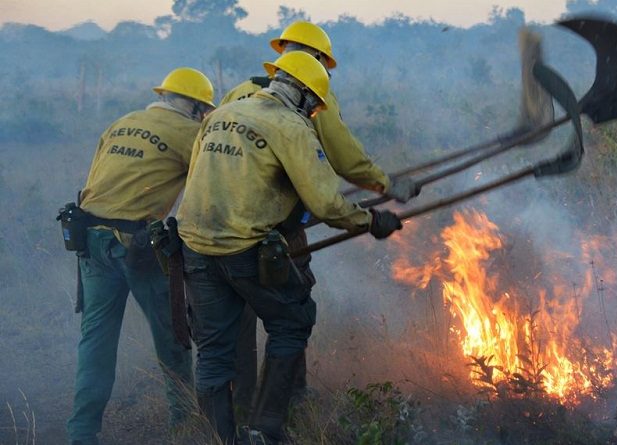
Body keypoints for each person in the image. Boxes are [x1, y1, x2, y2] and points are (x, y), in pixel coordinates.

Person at [176, 51, 403, 444]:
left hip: (194, 246)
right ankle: (265, 429)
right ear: (301, 95)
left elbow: (200, 177)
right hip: (245, 248)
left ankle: (221, 439)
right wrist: (371, 221)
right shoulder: (290, 125)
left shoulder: (220, 115)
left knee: (213, 350)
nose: (315, 114)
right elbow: (327, 203)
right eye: (315, 107)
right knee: (292, 322)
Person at [220, 20, 420, 422]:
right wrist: (387, 185)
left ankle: (239, 412)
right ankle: (288, 405)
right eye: (322, 66)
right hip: (274, 232)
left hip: (221, 231)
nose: (324, 76)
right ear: (313, 60)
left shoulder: (238, 92)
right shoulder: (307, 95)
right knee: (292, 314)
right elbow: (345, 158)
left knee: (235, 323)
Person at [65, 67, 216, 445]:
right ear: (197, 107)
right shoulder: (192, 133)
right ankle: (185, 428)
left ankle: (82, 434)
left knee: (96, 342)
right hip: (138, 247)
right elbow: (208, 190)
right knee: (173, 337)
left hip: (89, 238)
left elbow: (93, 184)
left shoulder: (122, 122)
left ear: (164, 96)